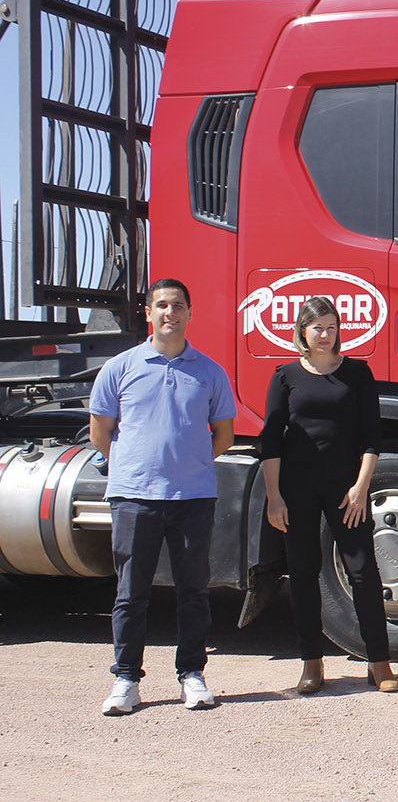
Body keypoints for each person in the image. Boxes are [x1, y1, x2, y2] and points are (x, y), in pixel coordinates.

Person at [90, 279, 235, 715]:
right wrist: (139, 465)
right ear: (148, 312)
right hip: (134, 497)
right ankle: (125, 680)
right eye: (161, 305)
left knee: (193, 591)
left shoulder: (209, 372)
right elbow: (101, 432)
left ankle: (192, 675)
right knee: (131, 593)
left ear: (190, 313)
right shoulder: (120, 367)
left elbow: (224, 436)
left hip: (192, 497)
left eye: (177, 306)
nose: (169, 312)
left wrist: (186, 462)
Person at [260, 297, 398, 694]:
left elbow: (372, 436)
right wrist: (274, 497)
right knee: (302, 573)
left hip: (346, 490)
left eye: (331, 327)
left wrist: (360, 487)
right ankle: (311, 663)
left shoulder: (357, 373)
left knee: (363, 571)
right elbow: (271, 440)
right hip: (297, 488)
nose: (325, 334)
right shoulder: (285, 375)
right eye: (317, 327)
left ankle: (379, 662)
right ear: (303, 330)